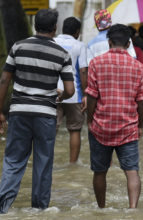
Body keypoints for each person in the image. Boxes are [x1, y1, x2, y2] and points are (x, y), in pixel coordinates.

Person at [0, 9, 75, 213]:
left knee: (13, 160)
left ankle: (2, 208)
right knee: (43, 161)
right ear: (54, 28)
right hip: (45, 115)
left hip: (19, 112)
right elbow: (70, 90)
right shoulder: (62, 54)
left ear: (35, 26)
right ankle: (39, 210)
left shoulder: (18, 47)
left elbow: (5, 79)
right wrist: (60, 96)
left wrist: (0, 112)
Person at [86, 24, 143, 209]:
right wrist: (140, 126)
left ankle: (102, 209)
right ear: (129, 42)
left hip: (100, 126)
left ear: (109, 42)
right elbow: (142, 102)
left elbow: (92, 97)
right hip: (128, 126)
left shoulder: (96, 63)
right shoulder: (138, 67)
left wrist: (89, 121)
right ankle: (133, 210)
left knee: (99, 172)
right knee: (132, 171)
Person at [54, 17, 88, 163]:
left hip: (52, 92)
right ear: (77, 32)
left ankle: (46, 162)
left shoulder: (52, 42)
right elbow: (84, 71)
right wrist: (86, 94)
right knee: (75, 130)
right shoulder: (80, 45)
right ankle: (73, 164)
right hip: (74, 94)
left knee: (50, 130)